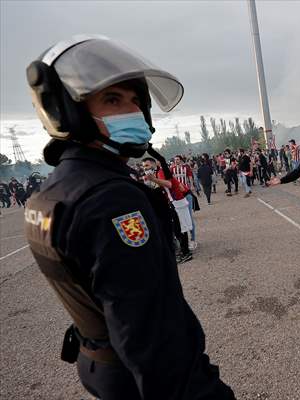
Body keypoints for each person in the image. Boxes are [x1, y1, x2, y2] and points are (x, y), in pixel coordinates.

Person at [24, 35, 235, 399]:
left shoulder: (51, 193)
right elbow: (150, 337)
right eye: (111, 99)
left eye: (135, 100)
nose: (132, 112)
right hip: (140, 379)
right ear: (66, 110)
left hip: (99, 362)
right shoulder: (111, 200)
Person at [142, 157, 193, 263]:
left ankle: (186, 252)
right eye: (144, 166)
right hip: (174, 202)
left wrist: (153, 180)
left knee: (181, 228)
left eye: (147, 165)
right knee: (179, 228)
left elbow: (169, 184)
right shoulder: (156, 174)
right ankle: (184, 251)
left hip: (178, 202)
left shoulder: (160, 172)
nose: (145, 168)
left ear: (153, 164)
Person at [171, 155, 197, 248]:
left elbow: (190, 177)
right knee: (180, 218)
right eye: (175, 160)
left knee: (189, 216)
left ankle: (193, 240)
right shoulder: (172, 169)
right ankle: (183, 240)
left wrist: (192, 186)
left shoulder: (186, 167)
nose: (176, 161)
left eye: (177, 159)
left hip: (186, 193)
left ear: (181, 160)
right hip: (177, 196)